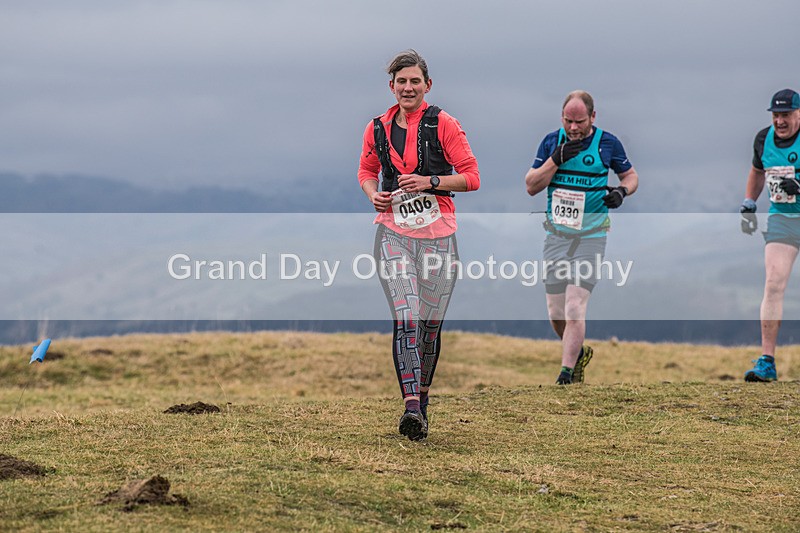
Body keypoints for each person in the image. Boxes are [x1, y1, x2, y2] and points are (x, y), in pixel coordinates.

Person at [357, 50, 480, 440]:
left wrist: (430, 182)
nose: (407, 87)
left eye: (415, 81)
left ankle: (422, 405)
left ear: (427, 85)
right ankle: (410, 407)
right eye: (401, 81)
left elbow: (472, 177)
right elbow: (366, 171)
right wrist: (373, 193)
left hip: (439, 235)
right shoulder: (375, 127)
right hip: (392, 232)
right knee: (406, 317)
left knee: (428, 326)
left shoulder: (444, 123)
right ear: (391, 86)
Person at [524, 90, 638, 385]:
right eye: (568, 121)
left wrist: (620, 192)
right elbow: (531, 186)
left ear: (593, 117)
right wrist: (555, 160)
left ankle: (566, 374)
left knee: (575, 305)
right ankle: (577, 352)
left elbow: (631, 176)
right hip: (556, 236)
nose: (573, 128)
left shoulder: (608, 143)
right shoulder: (552, 142)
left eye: (580, 122)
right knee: (556, 312)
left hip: (592, 235)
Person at [739, 88, 800, 382]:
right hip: (782, 220)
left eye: (786, 115)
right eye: (776, 116)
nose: (780, 122)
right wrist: (749, 202)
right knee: (773, 284)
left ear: (798, 114)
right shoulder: (763, 139)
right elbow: (757, 171)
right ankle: (767, 361)